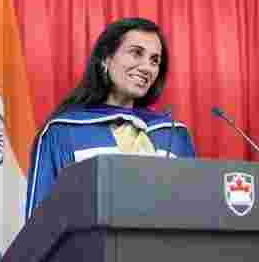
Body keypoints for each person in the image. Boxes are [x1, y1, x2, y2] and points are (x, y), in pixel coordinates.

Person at [26, 17, 196, 218]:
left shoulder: (173, 135)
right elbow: (40, 223)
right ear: (106, 59)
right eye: (136, 53)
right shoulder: (64, 132)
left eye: (154, 60)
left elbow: (191, 211)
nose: (147, 67)